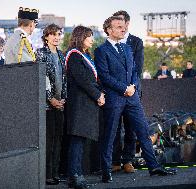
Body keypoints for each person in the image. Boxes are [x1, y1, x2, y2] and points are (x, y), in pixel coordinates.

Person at [94, 16, 176, 183]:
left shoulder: (127, 48)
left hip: (132, 99)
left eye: (124, 27)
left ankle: (154, 167)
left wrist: (132, 86)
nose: (123, 29)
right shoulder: (101, 51)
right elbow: (104, 76)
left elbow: (134, 71)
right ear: (109, 30)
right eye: (118, 27)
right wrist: (124, 88)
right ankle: (106, 171)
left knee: (144, 132)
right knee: (109, 136)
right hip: (115, 99)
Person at [66, 26, 105, 189]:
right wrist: (98, 95)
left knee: (80, 141)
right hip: (78, 105)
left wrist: (100, 92)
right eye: (89, 37)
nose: (92, 40)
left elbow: (93, 79)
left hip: (86, 105)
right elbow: (83, 80)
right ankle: (74, 175)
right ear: (81, 37)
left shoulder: (86, 55)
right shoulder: (74, 55)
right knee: (76, 140)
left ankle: (77, 174)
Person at [111, 10, 144, 173]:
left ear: (127, 23)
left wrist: (130, 88)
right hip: (115, 93)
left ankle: (128, 160)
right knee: (115, 128)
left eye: (121, 22)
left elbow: (137, 69)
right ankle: (115, 161)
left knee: (131, 128)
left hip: (132, 93)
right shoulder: (109, 42)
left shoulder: (136, 42)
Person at [35, 24, 66, 185]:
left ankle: (55, 173)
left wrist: (63, 100)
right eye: (52, 34)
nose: (56, 37)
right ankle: (47, 174)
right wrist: (51, 99)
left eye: (58, 34)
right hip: (47, 106)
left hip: (60, 105)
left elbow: (64, 80)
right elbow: (41, 80)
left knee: (58, 140)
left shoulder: (61, 55)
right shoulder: (41, 54)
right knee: (49, 140)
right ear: (46, 37)